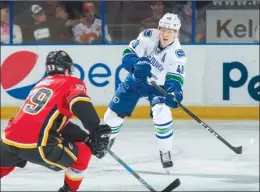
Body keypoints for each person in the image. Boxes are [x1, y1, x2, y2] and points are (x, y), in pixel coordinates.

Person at [0, 50, 111, 192]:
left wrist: (85, 137)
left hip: (7, 140)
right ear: (66, 68)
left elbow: (53, 122)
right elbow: (79, 104)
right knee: (83, 154)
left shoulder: (40, 84)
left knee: (4, 165)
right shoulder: (72, 82)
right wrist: (96, 129)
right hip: (37, 145)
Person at [103, 13, 187, 172]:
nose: (165, 33)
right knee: (111, 118)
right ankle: (107, 140)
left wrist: (173, 92)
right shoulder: (148, 36)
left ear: (176, 33)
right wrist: (135, 65)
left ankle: (165, 151)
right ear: (159, 28)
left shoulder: (177, 53)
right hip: (135, 81)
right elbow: (128, 54)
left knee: (161, 113)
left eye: (170, 31)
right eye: (163, 29)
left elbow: (175, 79)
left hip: (157, 87)